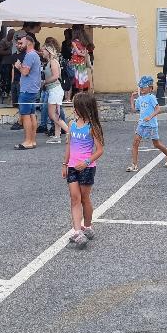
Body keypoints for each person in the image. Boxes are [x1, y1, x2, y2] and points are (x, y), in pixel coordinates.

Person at [64, 91, 104, 249]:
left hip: (87, 168)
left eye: (76, 106)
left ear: (84, 108)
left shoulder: (92, 127)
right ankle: (77, 231)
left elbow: (100, 150)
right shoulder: (71, 124)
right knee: (74, 198)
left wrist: (86, 162)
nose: (74, 109)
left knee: (84, 199)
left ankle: (87, 226)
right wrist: (65, 164)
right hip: (72, 167)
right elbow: (69, 145)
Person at [127, 75, 167, 172]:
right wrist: (132, 99)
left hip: (151, 125)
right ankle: (134, 165)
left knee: (156, 144)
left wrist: (150, 117)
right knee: (135, 143)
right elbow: (134, 109)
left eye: (144, 87)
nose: (141, 88)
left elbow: (158, 109)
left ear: (150, 88)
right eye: (141, 87)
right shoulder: (139, 99)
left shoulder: (151, 97)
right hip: (141, 124)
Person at [14, 32, 42, 150]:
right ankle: (32, 140)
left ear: (28, 42)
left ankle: (28, 141)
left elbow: (25, 72)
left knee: (26, 115)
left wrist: (18, 66)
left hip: (27, 90)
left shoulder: (30, 55)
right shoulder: (34, 54)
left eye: (21, 43)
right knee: (31, 114)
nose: (18, 45)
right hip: (32, 89)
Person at [41, 38, 69, 144]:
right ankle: (57, 136)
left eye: (43, 50)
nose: (42, 52)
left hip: (55, 90)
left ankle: (70, 132)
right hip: (53, 90)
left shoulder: (53, 62)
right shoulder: (50, 62)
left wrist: (45, 82)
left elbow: (56, 76)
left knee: (53, 115)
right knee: (56, 115)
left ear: (48, 51)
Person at [70, 25, 94, 93]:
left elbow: (78, 52)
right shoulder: (83, 41)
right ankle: (82, 93)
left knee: (77, 80)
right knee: (82, 80)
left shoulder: (74, 42)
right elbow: (85, 52)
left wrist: (82, 54)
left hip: (76, 63)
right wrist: (85, 55)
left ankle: (79, 94)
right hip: (82, 63)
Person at [60, 28, 75, 101]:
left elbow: (73, 52)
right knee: (65, 79)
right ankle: (66, 97)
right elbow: (62, 52)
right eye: (64, 34)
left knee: (70, 79)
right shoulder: (64, 42)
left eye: (66, 34)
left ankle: (68, 97)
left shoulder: (72, 43)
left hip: (70, 62)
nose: (65, 35)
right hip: (64, 61)